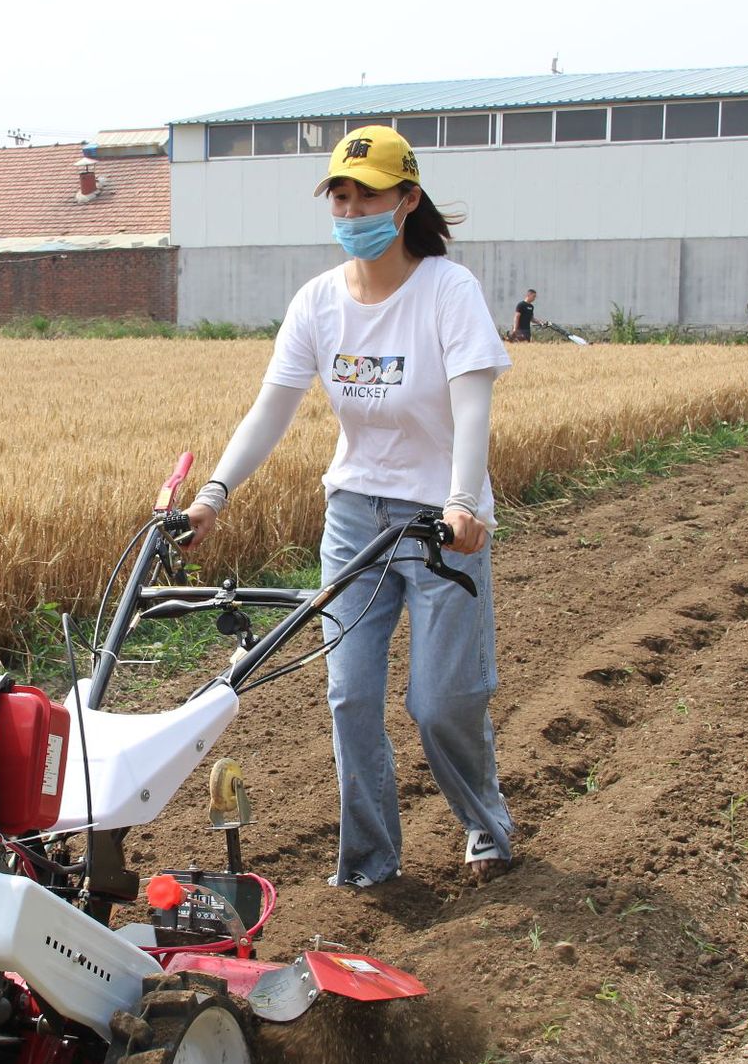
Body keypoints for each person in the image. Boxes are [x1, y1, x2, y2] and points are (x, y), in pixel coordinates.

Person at [183, 125, 517, 889]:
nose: (351, 209)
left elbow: (473, 408)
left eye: (367, 195)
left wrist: (464, 503)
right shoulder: (318, 302)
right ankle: (370, 862)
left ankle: (486, 825)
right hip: (355, 519)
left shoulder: (447, 290)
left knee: (441, 702)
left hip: (440, 525)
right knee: (350, 695)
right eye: (340, 195)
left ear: (407, 201)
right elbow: (271, 409)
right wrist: (212, 495)